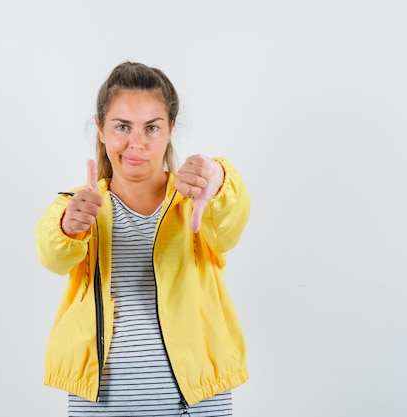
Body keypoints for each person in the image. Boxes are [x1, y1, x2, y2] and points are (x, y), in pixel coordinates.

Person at [35, 61, 250, 417]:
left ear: (170, 130)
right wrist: (68, 228)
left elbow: (230, 227)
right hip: (101, 407)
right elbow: (51, 256)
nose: (136, 143)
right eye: (122, 126)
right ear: (101, 129)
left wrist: (220, 181)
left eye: (152, 127)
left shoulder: (199, 200)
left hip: (196, 404)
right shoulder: (78, 207)